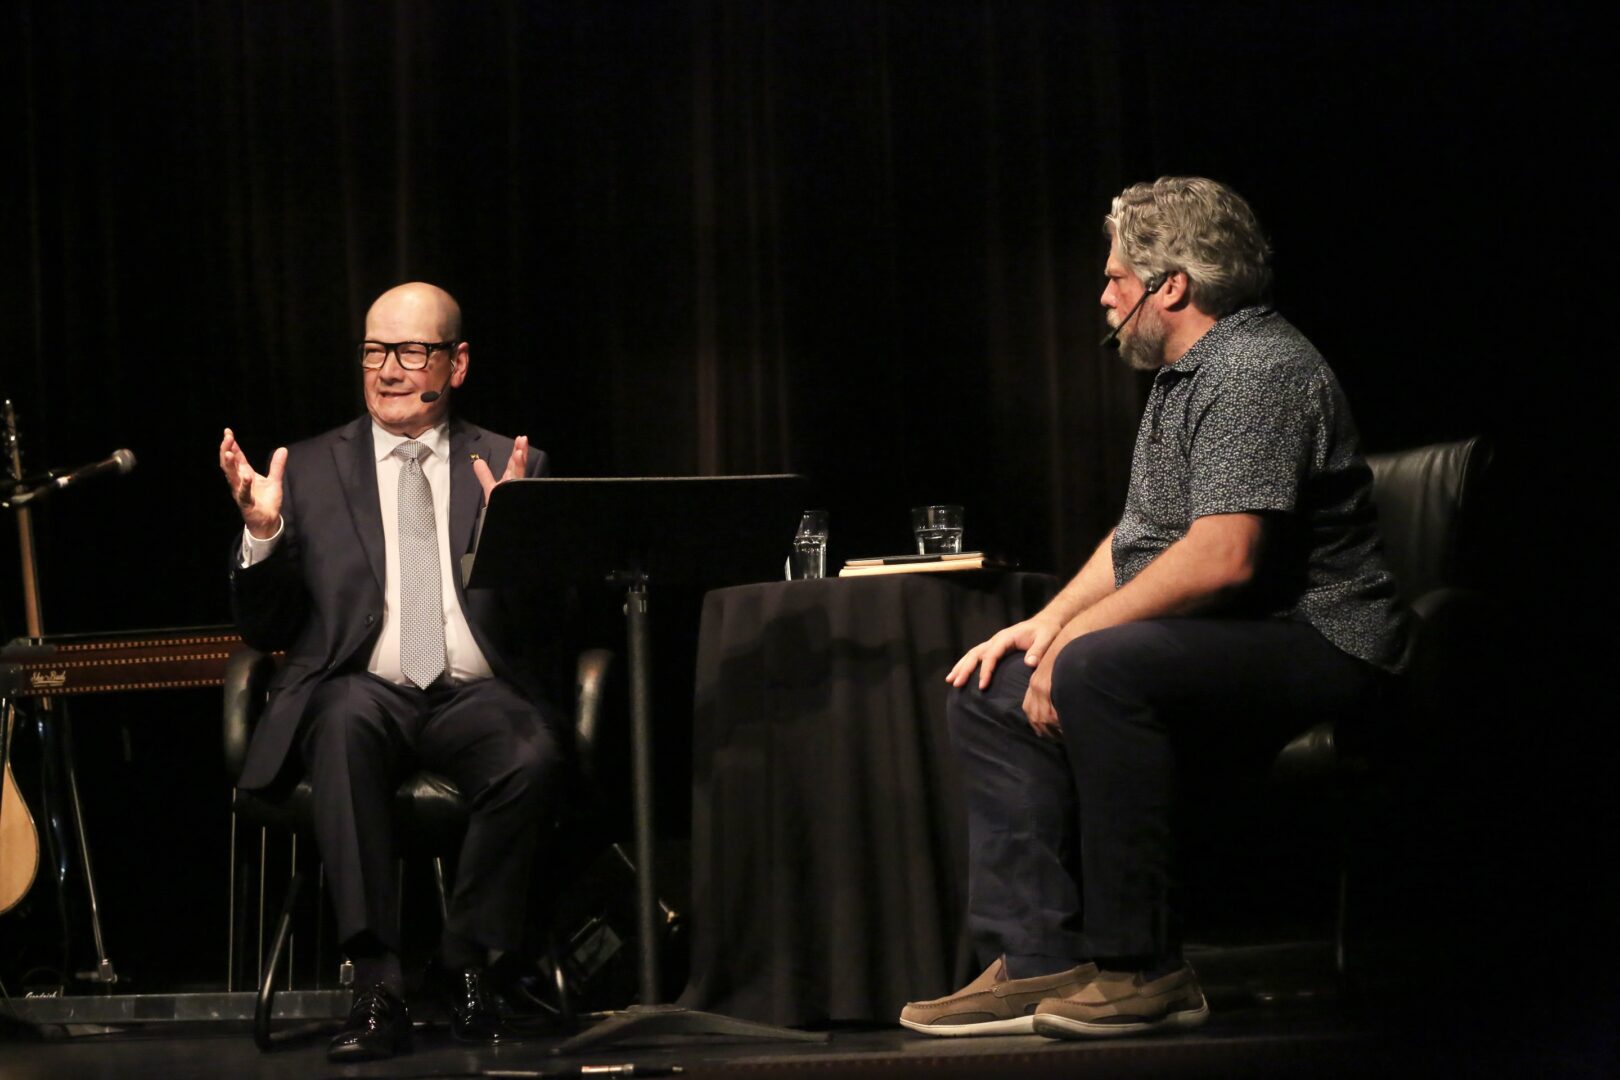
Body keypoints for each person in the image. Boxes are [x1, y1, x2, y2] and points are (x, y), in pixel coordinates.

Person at [899, 178, 1406, 1040]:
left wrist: (1080, 642)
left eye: (1115, 278)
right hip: (1243, 633)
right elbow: (1142, 539)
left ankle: (1144, 970)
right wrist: (1046, 625)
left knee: (1100, 665)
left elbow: (1225, 557)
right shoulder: (1186, 378)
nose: (1102, 296)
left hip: (1321, 636)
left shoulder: (1257, 368)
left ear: (1171, 285)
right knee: (990, 686)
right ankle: (1037, 962)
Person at [218, 282, 560, 1062]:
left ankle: (464, 963)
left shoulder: (513, 464)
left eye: (413, 350)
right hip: (361, 690)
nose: (390, 369)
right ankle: (376, 982)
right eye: (376, 350)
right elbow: (263, 630)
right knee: (340, 721)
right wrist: (263, 536)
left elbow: (547, 627)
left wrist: (521, 538)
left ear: (458, 362)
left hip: (471, 694)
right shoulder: (302, 469)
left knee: (532, 754)